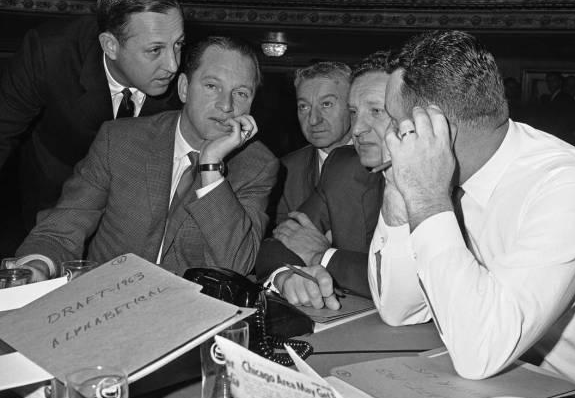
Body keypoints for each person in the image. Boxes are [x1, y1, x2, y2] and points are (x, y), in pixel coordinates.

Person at [369, 30, 575, 398]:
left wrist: (430, 201)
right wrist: (402, 200)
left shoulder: (570, 188)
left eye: (395, 122)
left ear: (433, 128)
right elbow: (400, 309)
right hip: (507, 390)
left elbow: (479, 351)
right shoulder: (444, 175)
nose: (387, 136)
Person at [14, 36, 278, 280]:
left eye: (241, 93)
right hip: (105, 307)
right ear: (185, 88)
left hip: (191, 318)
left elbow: (235, 264)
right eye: (212, 86)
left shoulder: (257, 166)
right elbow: (61, 230)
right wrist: (35, 267)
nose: (226, 105)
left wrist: (211, 166)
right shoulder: (119, 141)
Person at [0, 0, 184, 231]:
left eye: (178, 45)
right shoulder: (49, 53)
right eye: (155, 50)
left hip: (137, 210)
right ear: (110, 45)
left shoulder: (189, 76)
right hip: (53, 197)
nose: (173, 65)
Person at [255, 52, 392, 305]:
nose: (359, 127)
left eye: (376, 110)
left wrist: (323, 255)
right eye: (303, 107)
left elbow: (404, 283)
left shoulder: (447, 176)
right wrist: (285, 277)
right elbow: (274, 247)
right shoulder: (342, 167)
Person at [275, 61, 352, 225]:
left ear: (351, 106)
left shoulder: (384, 163)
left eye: (326, 104)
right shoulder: (284, 171)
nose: (313, 119)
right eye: (303, 106)